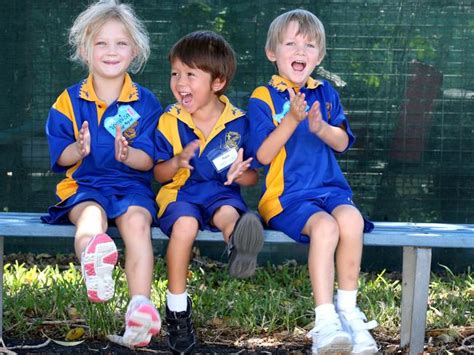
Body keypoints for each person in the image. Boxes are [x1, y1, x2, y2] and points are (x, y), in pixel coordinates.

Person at [247, 9, 378, 355]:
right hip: (286, 198)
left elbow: (343, 142)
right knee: (326, 229)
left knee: (351, 219)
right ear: (272, 52)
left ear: (319, 56)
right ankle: (324, 323)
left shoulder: (326, 93)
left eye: (309, 45)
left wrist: (320, 128)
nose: (300, 50)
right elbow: (261, 155)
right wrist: (292, 119)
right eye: (290, 43)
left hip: (330, 191)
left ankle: (348, 311)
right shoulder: (264, 96)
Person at [42, 0, 161, 347]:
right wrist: (78, 149)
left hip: (130, 187)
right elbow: (61, 158)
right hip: (84, 184)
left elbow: (149, 162)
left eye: (121, 43)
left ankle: (140, 307)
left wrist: (129, 154)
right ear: (84, 49)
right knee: (90, 219)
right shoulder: (67, 101)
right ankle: (95, 258)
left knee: (138, 224)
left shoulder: (146, 102)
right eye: (101, 43)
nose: (111, 51)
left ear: (134, 50)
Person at [153, 30, 264, 353]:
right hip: (180, 194)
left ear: (218, 82)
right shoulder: (169, 120)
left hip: (220, 190)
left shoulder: (239, 123)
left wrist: (239, 174)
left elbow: (252, 178)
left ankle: (238, 247)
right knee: (185, 227)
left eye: (190, 74)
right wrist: (176, 162)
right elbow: (159, 174)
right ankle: (177, 310)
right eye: (175, 73)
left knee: (230, 214)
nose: (179, 82)